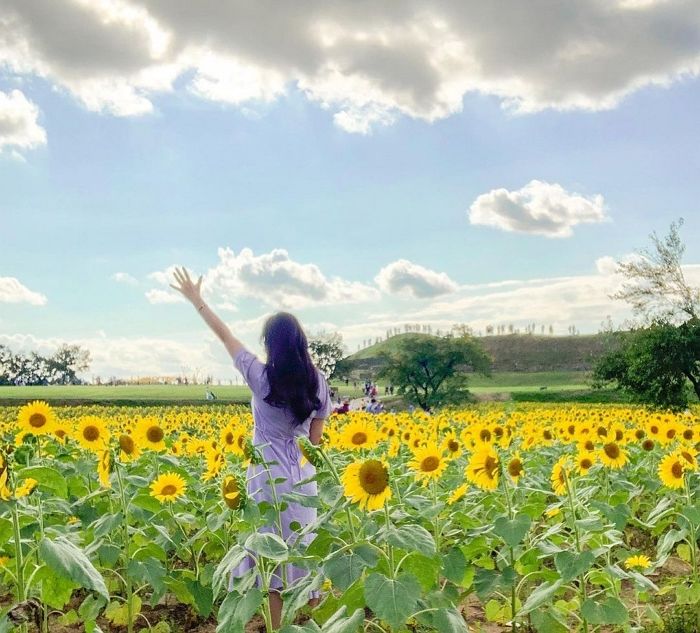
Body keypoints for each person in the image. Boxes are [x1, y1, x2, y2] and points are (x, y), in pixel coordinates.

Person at [170, 267, 331, 630]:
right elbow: (315, 443)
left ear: (269, 345)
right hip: (303, 477)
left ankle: (276, 627)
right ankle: (302, 621)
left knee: (270, 556)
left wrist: (197, 301)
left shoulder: (259, 376)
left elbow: (224, 334)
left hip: (266, 474)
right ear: (301, 343)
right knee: (301, 548)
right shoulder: (317, 381)